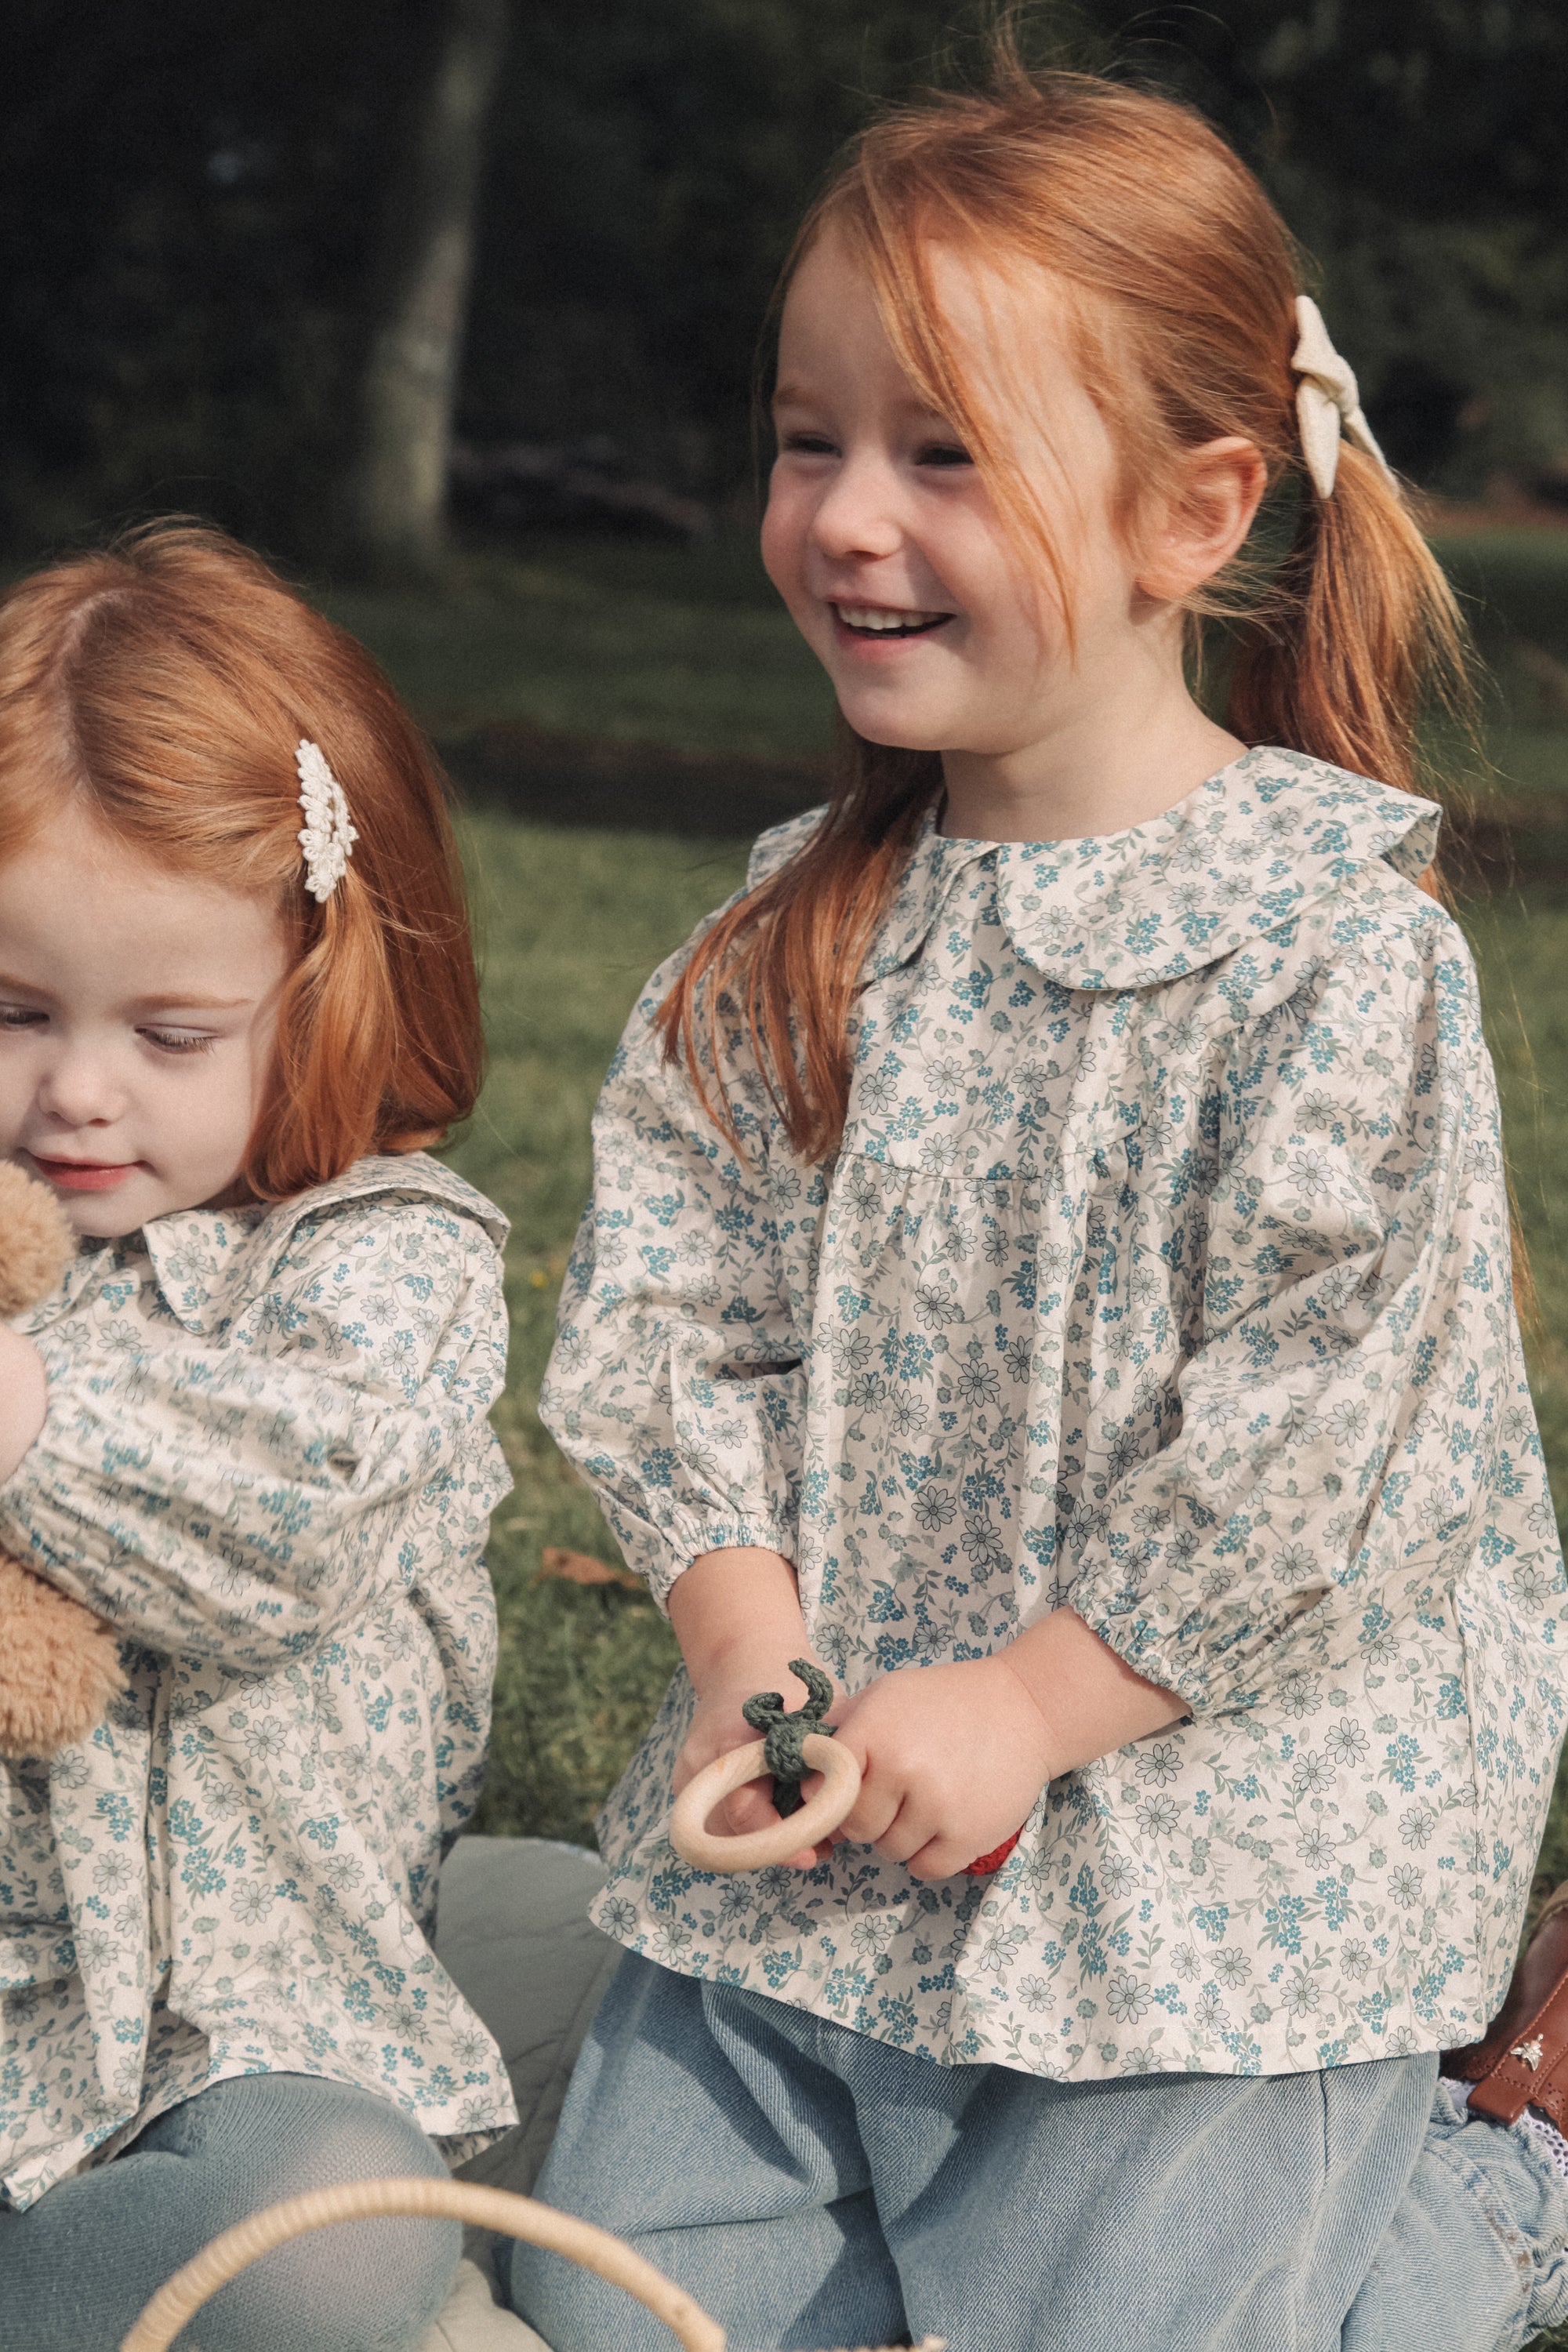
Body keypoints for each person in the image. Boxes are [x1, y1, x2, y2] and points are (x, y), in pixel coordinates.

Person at [519, 60, 1568, 2352]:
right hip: (853, 1816)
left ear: (1190, 510)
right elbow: (668, 1316)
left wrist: (1034, 1702)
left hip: (1212, 1841)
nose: (849, 521)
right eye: (813, 441)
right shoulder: (789, 924)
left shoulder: (1322, 941)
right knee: (610, 2315)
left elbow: (1322, 1438)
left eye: (945, 453)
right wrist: (742, 1650)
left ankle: (1507, 2169)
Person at [0, 525, 517, 2352]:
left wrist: (24, 1411)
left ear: (319, 986)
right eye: (11, 1013)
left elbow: (284, 1529)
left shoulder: (388, 1265)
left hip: (261, 2042)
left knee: (334, 2233)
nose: (76, 1086)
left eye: (169, 1029)